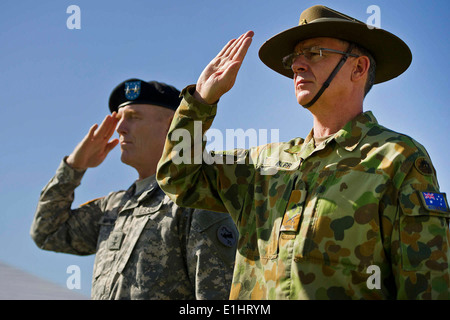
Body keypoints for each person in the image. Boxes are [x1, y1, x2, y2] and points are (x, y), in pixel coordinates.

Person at [156, 5, 450, 300]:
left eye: (314, 53)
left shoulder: (397, 158)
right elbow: (178, 176)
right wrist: (200, 102)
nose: (297, 66)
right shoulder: (263, 165)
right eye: (294, 58)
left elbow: (428, 287)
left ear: (358, 68)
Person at [30, 79, 238, 300]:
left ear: (171, 126)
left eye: (133, 117)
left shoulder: (195, 199)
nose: (119, 129)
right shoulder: (114, 206)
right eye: (119, 119)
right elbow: (47, 233)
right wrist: (74, 166)